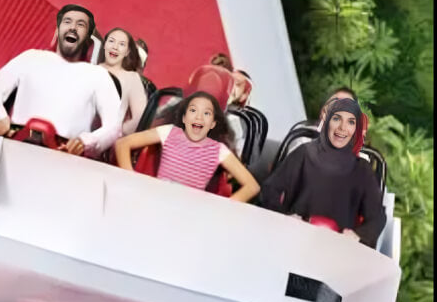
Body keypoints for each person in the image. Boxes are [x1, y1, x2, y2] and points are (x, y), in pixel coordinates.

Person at [0, 4, 122, 156]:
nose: (73, 27)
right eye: (67, 22)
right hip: (16, 144)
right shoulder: (30, 57)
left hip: (65, 156)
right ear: (57, 30)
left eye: (80, 25)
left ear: (88, 38)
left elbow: (114, 127)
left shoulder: (99, 75)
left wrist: (86, 142)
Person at [260, 98, 385, 247]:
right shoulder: (304, 154)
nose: (342, 128)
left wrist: (358, 236)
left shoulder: (362, 170)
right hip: (295, 239)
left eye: (350, 122)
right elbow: (269, 190)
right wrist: (285, 218)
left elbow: (377, 216)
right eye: (337, 119)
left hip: (338, 248)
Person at [113, 91, 260, 202]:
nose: (199, 117)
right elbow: (122, 144)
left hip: (190, 212)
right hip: (157, 201)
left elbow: (252, 186)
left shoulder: (218, 150)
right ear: (184, 118)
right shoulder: (169, 132)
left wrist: (223, 208)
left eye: (206, 113)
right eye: (193, 111)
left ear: (213, 124)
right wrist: (132, 179)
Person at [96, 27, 148, 136]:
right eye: (111, 41)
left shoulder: (132, 79)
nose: (115, 47)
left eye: (122, 44)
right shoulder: (90, 70)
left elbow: (140, 118)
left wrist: (117, 134)